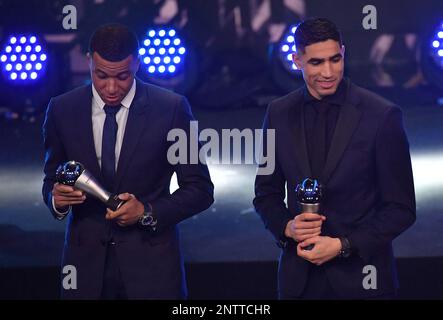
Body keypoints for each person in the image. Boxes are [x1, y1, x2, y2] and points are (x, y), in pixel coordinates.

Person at [42, 23, 214, 299]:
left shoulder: (171, 109)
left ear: (137, 63)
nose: (111, 88)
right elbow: (52, 179)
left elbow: (200, 190)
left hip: (152, 271)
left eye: (122, 76)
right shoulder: (62, 109)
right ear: (89, 61)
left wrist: (145, 212)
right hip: (83, 271)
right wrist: (56, 199)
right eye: (101, 76)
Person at [253, 17, 416, 299]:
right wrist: (287, 227)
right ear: (297, 60)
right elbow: (265, 193)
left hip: (363, 282)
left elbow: (401, 209)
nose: (328, 72)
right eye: (316, 62)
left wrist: (343, 245)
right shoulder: (278, 113)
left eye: (335, 59)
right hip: (298, 282)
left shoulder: (381, 116)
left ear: (343, 53)